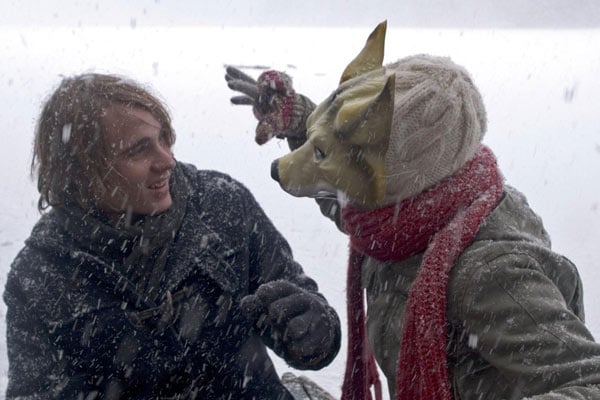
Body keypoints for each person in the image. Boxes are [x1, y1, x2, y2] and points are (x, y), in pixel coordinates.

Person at [224, 45, 600, 399]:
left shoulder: (487, 272)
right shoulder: (398, 216)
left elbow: (587, 381)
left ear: (398, 170)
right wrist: (299, 122)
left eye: (327, 152)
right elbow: (346, 191)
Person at [3, 72, 342, 400]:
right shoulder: (40, 276)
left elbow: (309, 319)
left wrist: (315, 332)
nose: (167, 161)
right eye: (138, 150)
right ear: (81, 172)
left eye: (164, 138)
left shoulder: (222, 205)